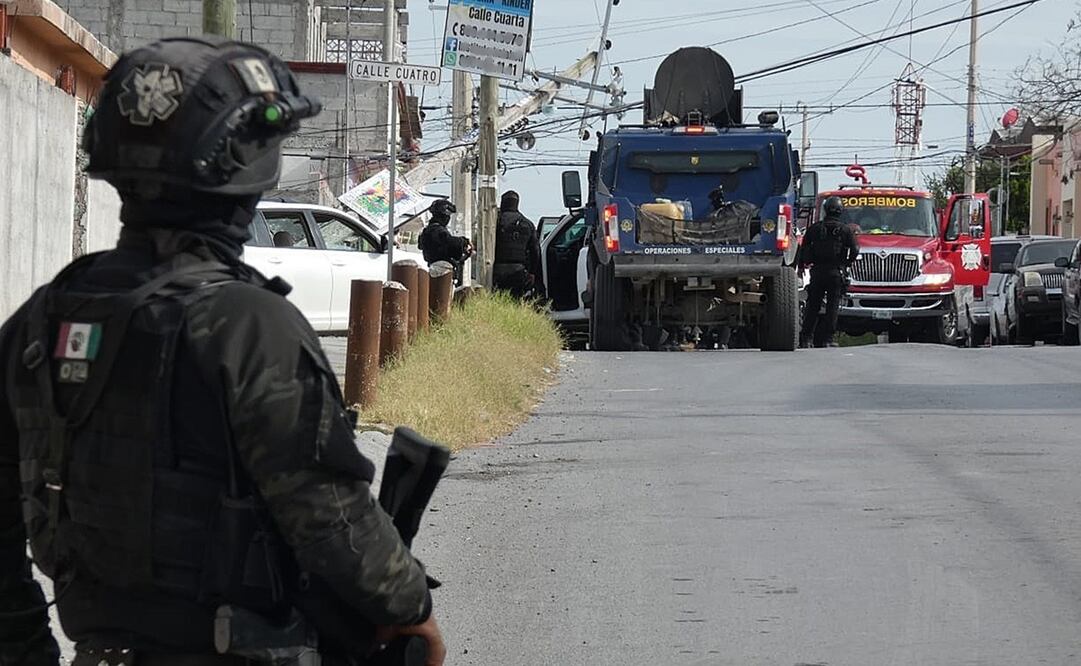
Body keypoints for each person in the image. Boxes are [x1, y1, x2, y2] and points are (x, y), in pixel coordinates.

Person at [0, 37, 445, 666]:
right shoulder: (248, 323)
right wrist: (410, 608)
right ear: (242, 169)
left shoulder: (44, 315)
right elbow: (327, 513)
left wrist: (27, 650)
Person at [798, 195, 859, 348]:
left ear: (825, 210)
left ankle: (806, 339)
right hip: (835, 272)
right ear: (840, 211)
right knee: (832, 307)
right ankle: (827, 340)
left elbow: (803, 249)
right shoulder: (845, 230)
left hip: (817, 272)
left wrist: (802, 266)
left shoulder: (814, 229)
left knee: (813, 306)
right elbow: (855, 249)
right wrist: (846, 263)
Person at [493, 191, 544, 299]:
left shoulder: (494, 222)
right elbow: (535, 251)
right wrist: (533, 272)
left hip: (496, 270)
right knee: (517, 301)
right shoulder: (527, 223)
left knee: (497, 300)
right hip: (518, 271)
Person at [417, 199, 472, 284]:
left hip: (438, 268)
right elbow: (448, 243)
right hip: (441, 270)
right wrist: (464, 242)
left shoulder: (429, 230)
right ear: (443, 215)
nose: (448, 218)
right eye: (448, 215)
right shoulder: (436, 230)